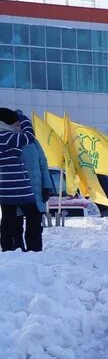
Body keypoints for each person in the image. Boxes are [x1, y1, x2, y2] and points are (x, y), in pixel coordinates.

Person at [0, 108, 41, 252]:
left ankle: (7, 248)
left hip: (4, 188)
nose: (18, 126)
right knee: (34, 216)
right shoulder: (7, 136)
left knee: (7, 218)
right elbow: (29, 136)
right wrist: (23, 119)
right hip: (18, 186)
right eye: (16, 124)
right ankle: (34, 247)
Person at [19, 135, 53, 240]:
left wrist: (46, 186)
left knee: (35, 226)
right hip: (13, 190)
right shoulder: (5, 139)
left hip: (35, 192)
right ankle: (15, 250)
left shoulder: (33, 142)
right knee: (14, 225)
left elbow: (43, 165)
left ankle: (35, 250)